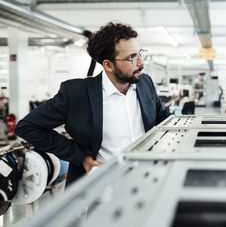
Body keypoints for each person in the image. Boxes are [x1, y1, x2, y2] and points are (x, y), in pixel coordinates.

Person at [15, 22, 171, 185]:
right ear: (108, 65)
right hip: (102, 187)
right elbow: (27, 127)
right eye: (132, 58)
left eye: (140, 54)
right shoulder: (76, 93)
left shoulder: (145, 83)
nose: (141, 63)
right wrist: (80, 157)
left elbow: (162, 118)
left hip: (148, 179)